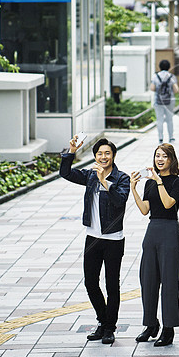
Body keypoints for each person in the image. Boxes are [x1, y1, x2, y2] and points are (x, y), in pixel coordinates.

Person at [59, 137, 130, 345]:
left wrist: (104, 181)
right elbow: (65, 173)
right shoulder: (90, 176)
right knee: (90, 282)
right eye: (100, 154)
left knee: (112, 285)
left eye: (107, 153)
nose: (103, 157)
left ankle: (110, 327)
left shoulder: (121, 178)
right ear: (95, 156)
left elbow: (119, 201)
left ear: (113, 155)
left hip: (113, 239)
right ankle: (102, 321)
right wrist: (71, 151)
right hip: (93, 237)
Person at [130, 144, 179, 347]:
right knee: (148, 280)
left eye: (164, 156)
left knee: (169, 283)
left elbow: (169, 203)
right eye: (157, 156)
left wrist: (159, 182)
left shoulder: (178, 181)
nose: (159, 159)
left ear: (171, 159)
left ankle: (168, 329)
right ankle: (151, 324)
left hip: (170, 232)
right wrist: (133, 189)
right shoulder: (150, 183)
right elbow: (145, 209)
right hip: (152, 231)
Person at [151, 59, 179, 144]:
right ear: (169, 67)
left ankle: (160, 138)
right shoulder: (171, 77)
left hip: (158, 101)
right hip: (169, 101)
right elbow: (176, 90)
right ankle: (171, 138)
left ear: (159, 67)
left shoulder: (155, 77)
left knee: (159, 120)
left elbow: (152, 88)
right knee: (169, 119)